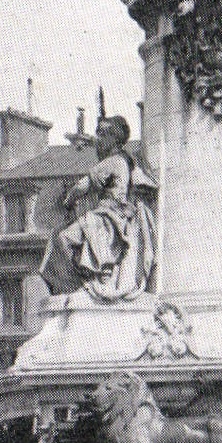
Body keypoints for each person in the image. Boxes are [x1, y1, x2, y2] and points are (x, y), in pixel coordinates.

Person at [41, 113, 156, 302]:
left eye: (102, 134)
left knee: (63, 238)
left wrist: (68, 201)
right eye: (98, 134)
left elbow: (82, 186)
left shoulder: (112, 162)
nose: (98, 140)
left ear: (114, 138)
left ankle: (78, 286)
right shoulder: (127, 160)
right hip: (116, 216)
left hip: (108, 217)